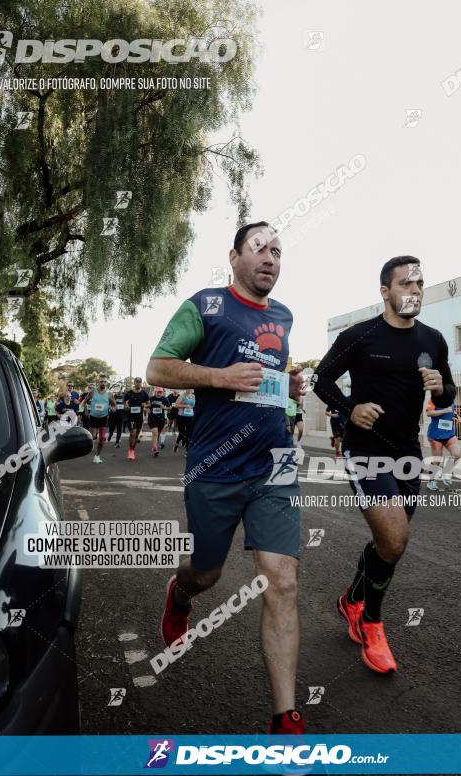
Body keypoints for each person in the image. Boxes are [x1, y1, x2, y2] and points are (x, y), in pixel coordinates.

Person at [146, 221, 306, 735]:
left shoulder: (283, 316)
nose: (270, 258)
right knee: (207, 574)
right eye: (259, 248)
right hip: (216, 466)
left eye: (277, 251)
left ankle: (285, 716)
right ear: (234, 256)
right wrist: (218, 376)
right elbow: (157, 368)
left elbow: (267, 381)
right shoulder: (206, 306)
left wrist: (290, 386)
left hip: (275, 463)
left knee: (282, 580)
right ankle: (181, 593)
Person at [314, 256, 456, 674]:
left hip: (407, 450)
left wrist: (440, 387)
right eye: (405, 283)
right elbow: (321, 380)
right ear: (385, 291)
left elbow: (447, 396)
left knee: (390, 543)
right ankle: (371, 622)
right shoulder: (359, 336)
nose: (414, 290)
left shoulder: (433, 339)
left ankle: (351, 598)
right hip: (365, 450)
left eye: (419, 284)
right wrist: (349, 408)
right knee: (394, 540)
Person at [425, 400, 461, 490]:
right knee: (437, 460)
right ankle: (431, 481)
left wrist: (457, 416)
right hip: (436, 434)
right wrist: (444, 410)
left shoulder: (451, 400)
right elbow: (429, 413)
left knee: (456, 454)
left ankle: (446, 472)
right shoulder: (434, 400)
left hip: (449, 433)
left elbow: (452, 411)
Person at [84, 378, 115, 463]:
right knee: (93, 436)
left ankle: (97, 456)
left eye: (104, 382)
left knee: (102, 438)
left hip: (103, 418)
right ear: (99, 382)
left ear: (106, 383)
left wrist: (113, 408)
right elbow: (85, 401)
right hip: (93, 417)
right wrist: (86, 411)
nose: (103, 383)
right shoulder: (93, 392)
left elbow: (114, 404)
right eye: (101, 381)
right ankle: (91, 444)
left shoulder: (109, 394)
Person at [124, 377, 150, 461]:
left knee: (136, 435)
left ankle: (132, 450)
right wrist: (126, 406)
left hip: (139, 417)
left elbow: (149, 404)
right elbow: (124, 402)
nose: (138, 383)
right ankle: (131, 451)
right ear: (134, 383)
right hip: (131, 416)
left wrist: (145, 406)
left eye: (140, 382)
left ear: (141, 383)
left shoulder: (144, 394)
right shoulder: (129, 393)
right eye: (136, 382)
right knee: (133, 433)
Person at [173, 389, 195, 454]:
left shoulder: (193, 396)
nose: (190, 389)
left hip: (190, 416)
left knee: (189, 433)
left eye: (191, 388)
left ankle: (187, 451)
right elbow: (176, 405)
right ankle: (176, 444)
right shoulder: (182, 396)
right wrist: (185, 406)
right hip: (181, 416)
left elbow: (193, 405)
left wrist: (193, 408)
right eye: (188, 388)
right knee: (182, 432)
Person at [148, 387, 168, 456]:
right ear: (155, 392)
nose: (159, 394)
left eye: (160, 392)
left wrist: (164, 407)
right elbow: (146, 406)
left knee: (158, 434)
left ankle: (154, 445)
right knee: (155, 433)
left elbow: (170, 408)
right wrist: (147, 409)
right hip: (152, 418)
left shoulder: (164, 399)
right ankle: (155, 448)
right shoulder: (151, 399)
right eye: (158, 392)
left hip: (161, 419)